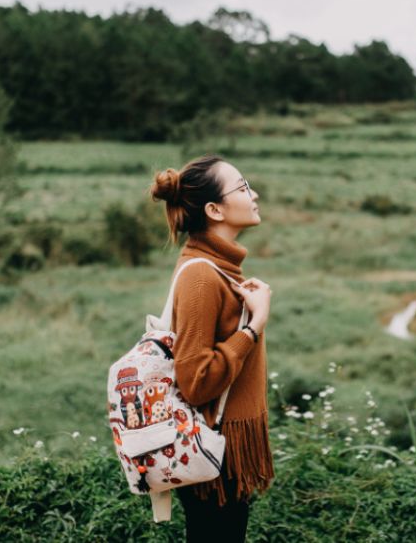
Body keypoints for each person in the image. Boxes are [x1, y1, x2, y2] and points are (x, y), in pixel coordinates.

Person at [149, 154, 274, 542]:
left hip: (224, 448)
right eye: (242, 187)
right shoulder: (202, 276)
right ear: (214, 209)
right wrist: (253, 327)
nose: (253, 194)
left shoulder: (217, 267)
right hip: (212, 449)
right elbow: (195, 380)